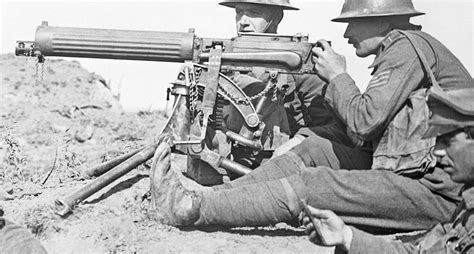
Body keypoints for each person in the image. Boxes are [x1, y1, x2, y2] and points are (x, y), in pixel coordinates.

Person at [148, 0, 472, 233]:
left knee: (312, 185)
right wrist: (307, 139)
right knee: (313, 148)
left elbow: (363, 123)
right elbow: (368, 132)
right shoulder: (407, 48)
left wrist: (337, 76)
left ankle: (192, 210)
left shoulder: (405, 46)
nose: (346, 34)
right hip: (419, 174)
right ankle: (207, 198)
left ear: (384, 22)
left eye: (353, 22)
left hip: (442, 191)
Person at [302, 86, 474, 253]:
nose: (437, 152)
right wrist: (346, 237)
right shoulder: (466, 208)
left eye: (448, 142)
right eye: (437, 142)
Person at [218, 0, 347, 168]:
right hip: (226, 159)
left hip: (277, 162)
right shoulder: (224, 56)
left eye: (254, 12)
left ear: (276, 17)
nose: (242, 21)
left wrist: (297, 144)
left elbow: (332, 127)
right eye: (239, 12)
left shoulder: (298, 62)